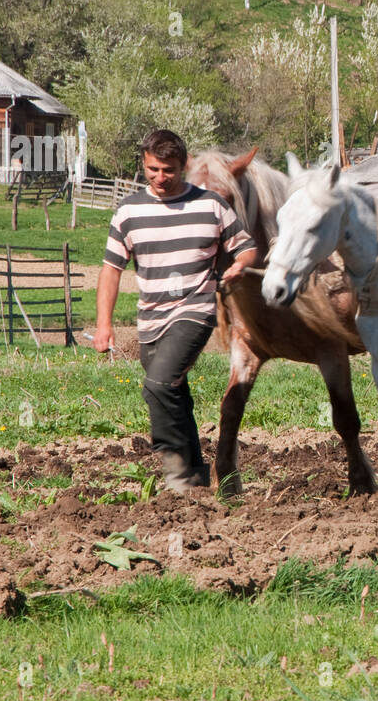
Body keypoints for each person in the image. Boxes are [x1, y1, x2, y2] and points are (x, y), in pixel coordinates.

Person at [93, 130, 259, 492]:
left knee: (158, 385)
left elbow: (246, 247)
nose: (160, 177)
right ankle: (197, 477)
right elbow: (111, 270)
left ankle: (175, 468)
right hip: (151, 319)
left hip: (194, 310)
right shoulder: (128, 212)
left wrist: (240, 264)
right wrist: (103, 324)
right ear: (144, 164)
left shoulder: (211, 205)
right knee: (175, 394)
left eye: (168, 170)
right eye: (153, 169)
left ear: (183, 166)